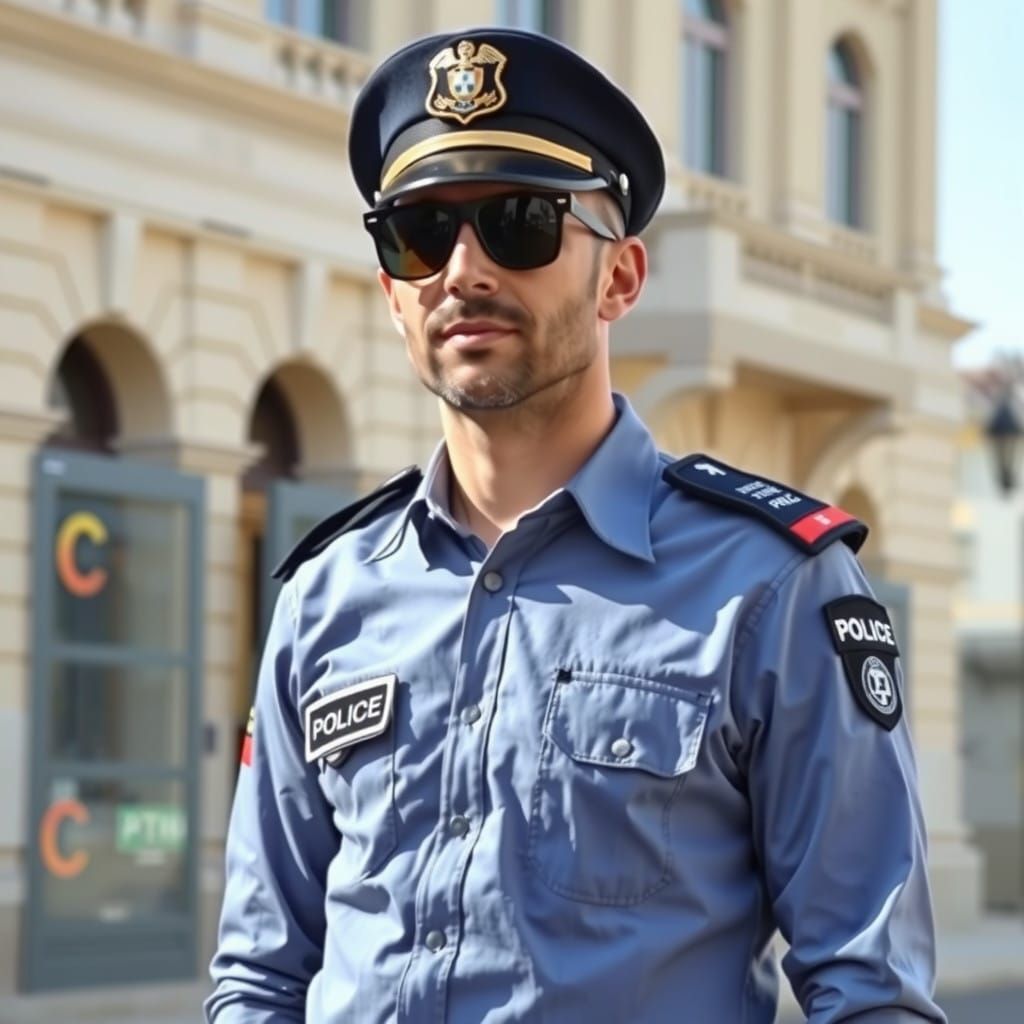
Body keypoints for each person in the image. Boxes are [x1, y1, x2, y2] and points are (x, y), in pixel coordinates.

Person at [206, 26, 945, 1024]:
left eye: (518, 222)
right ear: (390, 293)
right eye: (418, 233)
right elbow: (259, 974)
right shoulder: (323, 596)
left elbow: (870, 990)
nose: (461, 270)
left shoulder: (771, 588)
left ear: (621, 279)